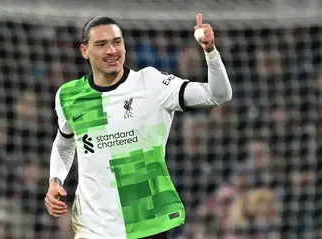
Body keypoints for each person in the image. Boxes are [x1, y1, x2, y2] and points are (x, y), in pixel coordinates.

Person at [45, 13, 232, 239]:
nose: (112, 51)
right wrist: (55, 180)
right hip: (94, 227)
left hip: (149, 222)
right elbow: (64, 142)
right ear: (85, 51)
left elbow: (218, 95)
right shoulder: (68, 95)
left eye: (117, 42)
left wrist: (210, 52)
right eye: (101, 44)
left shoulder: (151, 84)